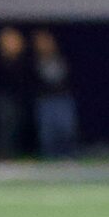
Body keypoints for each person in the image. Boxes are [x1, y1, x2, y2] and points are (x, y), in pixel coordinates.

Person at [31, 28, 76, 158]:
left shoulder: (62, 57)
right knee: (47, 134)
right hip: (45, 100)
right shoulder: (34, 61)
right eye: (41, 42)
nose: (44, 44)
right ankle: (50, 159)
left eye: (47, 41)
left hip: (62, 99)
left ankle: (69, 157)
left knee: (66, 130)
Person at [0, 25, 28, 158]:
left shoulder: (22, 60)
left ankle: (10, 155)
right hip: (3, 99)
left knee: (14, 127)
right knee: (2, 128)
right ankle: (0, 156)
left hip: (17, 98)